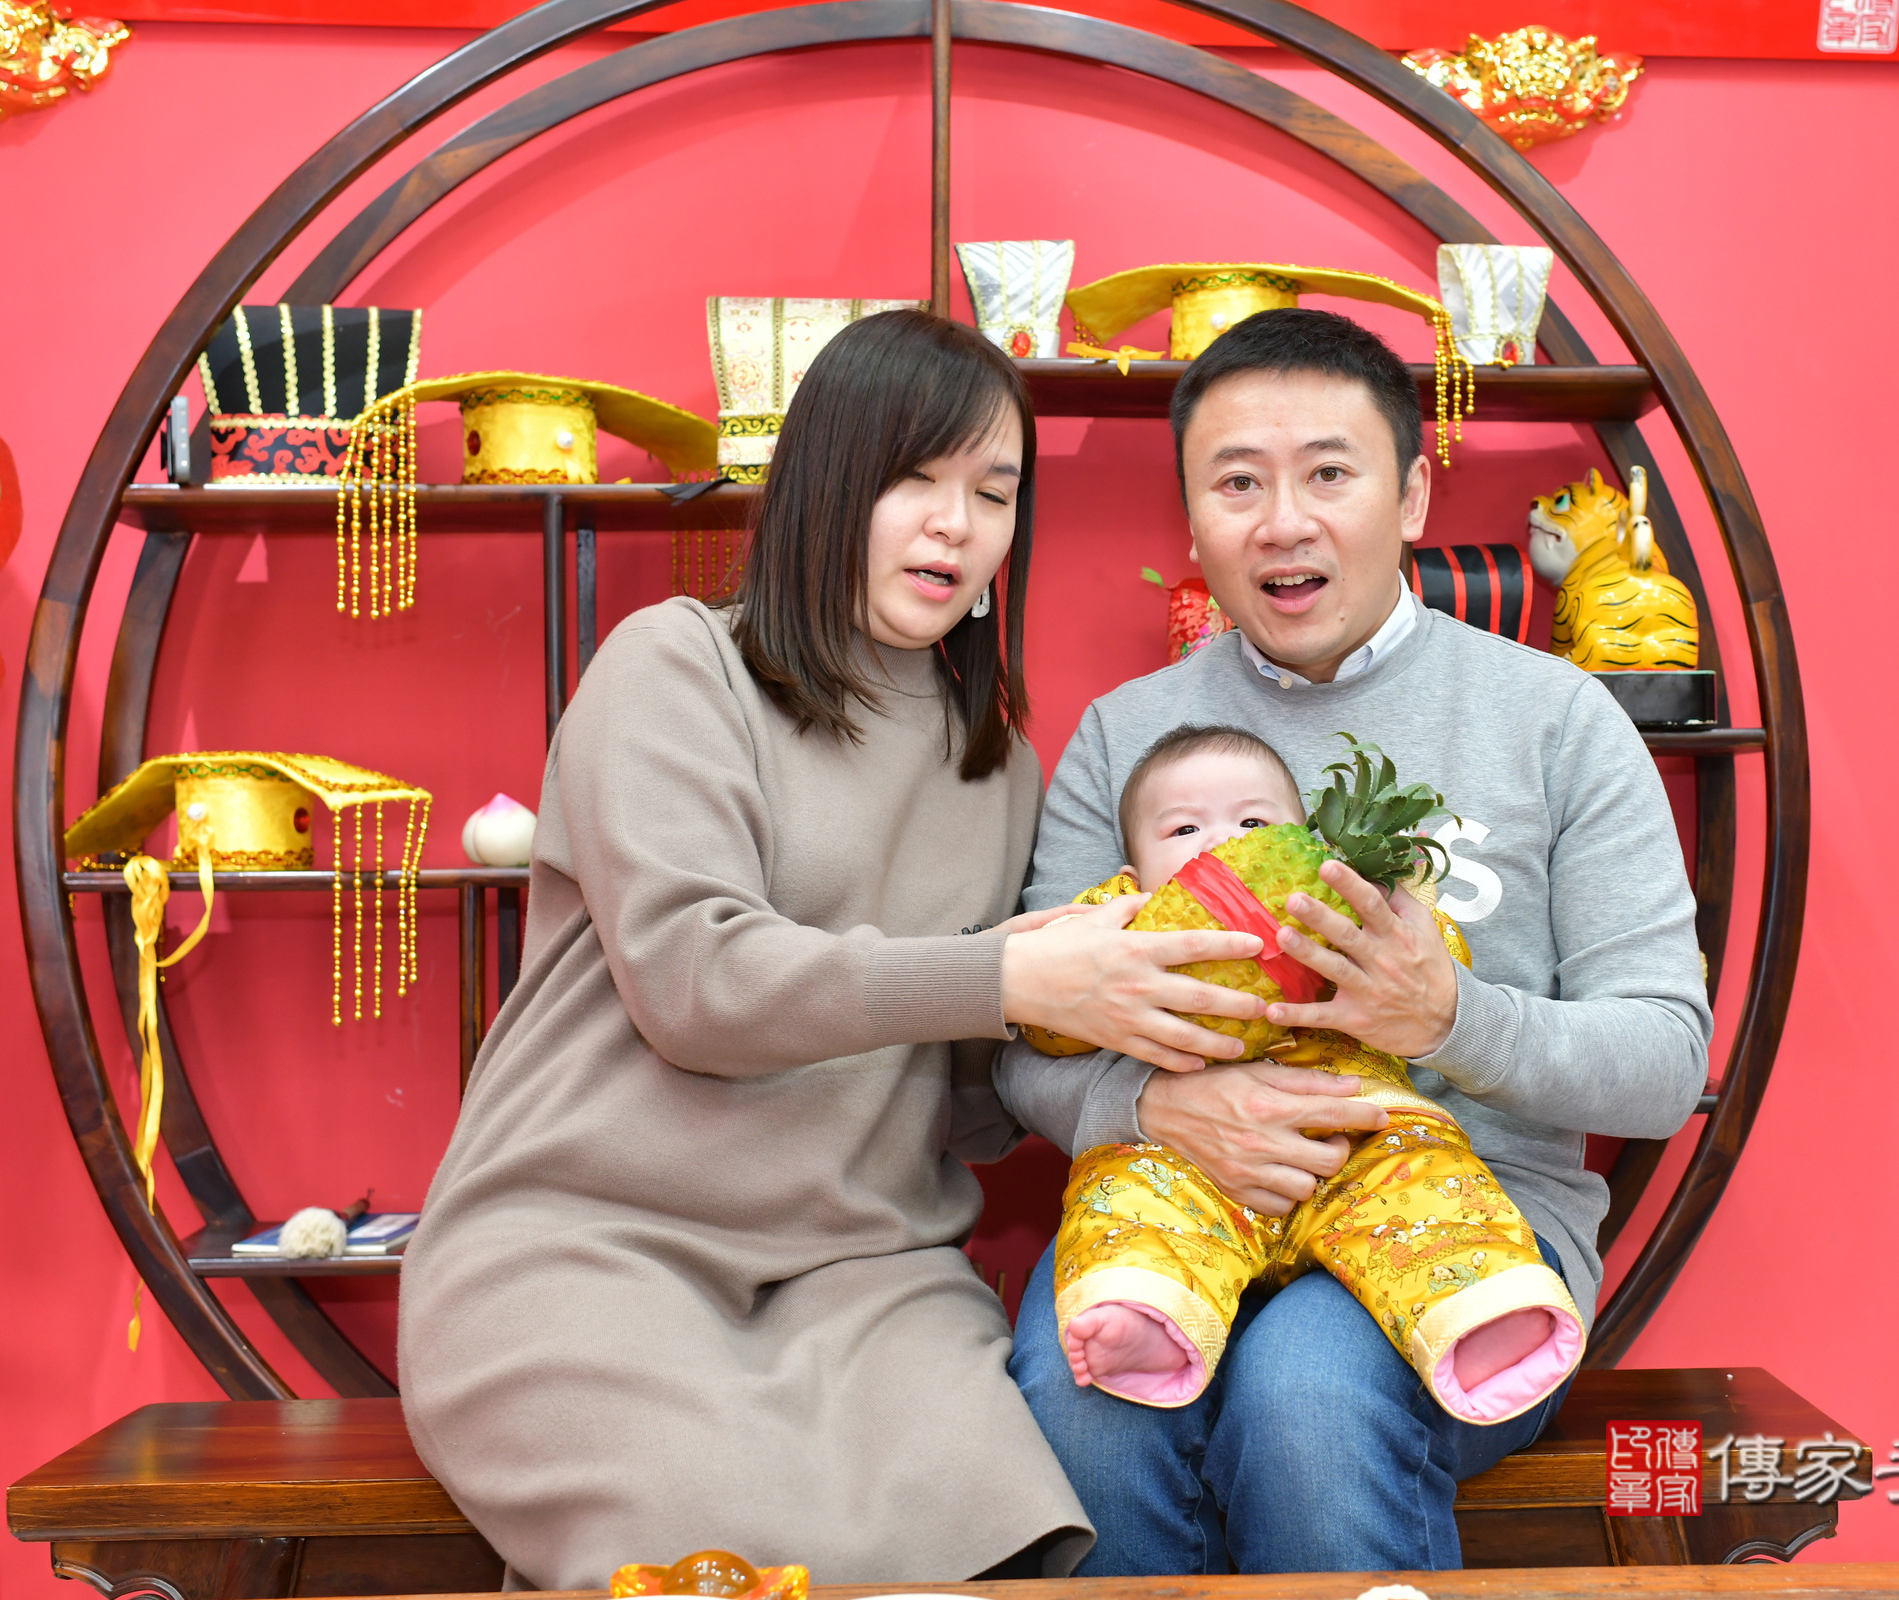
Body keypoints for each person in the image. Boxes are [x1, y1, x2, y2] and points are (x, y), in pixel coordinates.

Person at [398, 310, 1278, 1588]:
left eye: (993, 492)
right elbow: (697, 984)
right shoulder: (675, 667)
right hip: (591, 1247)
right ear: (824, 483)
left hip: (868, 1274)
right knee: (711, 1551)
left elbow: (967, 1104)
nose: (955, 525)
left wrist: (1143, 1016)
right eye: (913, 478)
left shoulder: (999, 768)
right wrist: (1005, 975)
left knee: (1005, 1525)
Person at [997, 307, 1712, 1575]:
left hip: (1466, 1219)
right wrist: (1148, 1108)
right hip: (1169, 1200)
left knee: (1306, 1396)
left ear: (1413, 495)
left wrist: (1449, 1019)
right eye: (1237, 484)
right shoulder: (1126, 736)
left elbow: (1663, 1061)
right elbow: (1030, 1038)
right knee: (1077, 1396)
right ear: (1193, 522)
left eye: (1329, 472)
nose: (1284, 521)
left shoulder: (1559, 720)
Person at [1045, 724, 1584, 1422]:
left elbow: (1430, 962)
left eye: (1253, 823)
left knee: (1423, 1188)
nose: (1223, 842)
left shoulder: (1338, 905)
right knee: (1128, 1194)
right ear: (1132, 869)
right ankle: (1145, 1312)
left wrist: (1401, 935)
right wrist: (1069, 982)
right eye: (1183, 829)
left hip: (1354, 1138)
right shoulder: (1115, 922)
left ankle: (1478, 1314)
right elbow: (1046, 1016)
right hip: (1184, 1155)